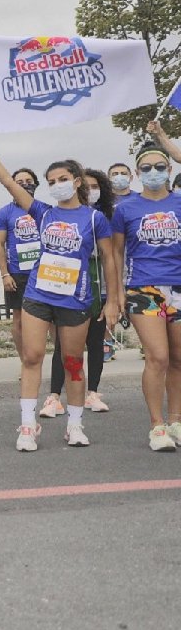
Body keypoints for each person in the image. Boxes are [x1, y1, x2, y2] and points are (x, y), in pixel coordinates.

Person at [0, 134, 119, 452]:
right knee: (32, 356)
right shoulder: (43, 212)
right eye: (51, 181)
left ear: (77, 182)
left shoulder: (94, 218)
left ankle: (75, 425)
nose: (57, 185)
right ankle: (28, 424)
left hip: (75, 300)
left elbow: (109, 259)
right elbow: (8, 183)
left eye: (62, 179)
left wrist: (113, 301)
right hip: (38, 296)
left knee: (73, 362)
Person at [111, 137, 181, 450]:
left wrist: (164, 138)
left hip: (179, 286)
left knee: (179, 358)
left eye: (160, 166)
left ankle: (176, 421)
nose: (154, 172)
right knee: (158, 356)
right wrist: (117, 294)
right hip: (144, 288)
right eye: (147, 168)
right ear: (137, 173)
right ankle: (157, 425)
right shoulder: (125, 209)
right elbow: (116, 254)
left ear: (170, 169)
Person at [43, 170, 115, 417]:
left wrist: (114, 297)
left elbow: (112, 256)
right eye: (87, 186)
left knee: (95, 342)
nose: (90, 190)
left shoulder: (104, 217)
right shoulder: (63, 215)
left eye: (95, 186)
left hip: (97, 285)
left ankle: (92, 392)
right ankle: (54, 395)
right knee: (63, 346)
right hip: (68, 288)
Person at [0, 168, 42, 368]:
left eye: (28, 180)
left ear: (36, 183)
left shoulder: (44, 209)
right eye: (19, 182)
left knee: (53, 320)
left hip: (44, 273)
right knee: (19, 321)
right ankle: (26, 363)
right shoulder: (4, 213)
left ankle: (60, 363)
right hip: (18, 274)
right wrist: (5, 274)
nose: (24, 185)